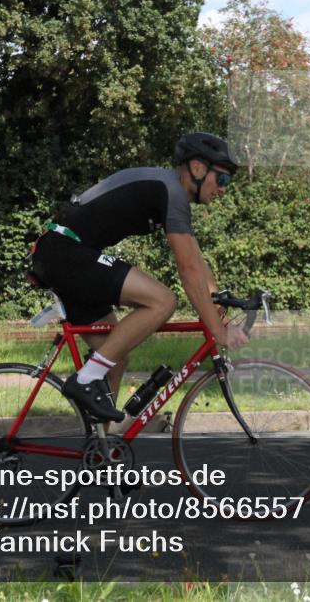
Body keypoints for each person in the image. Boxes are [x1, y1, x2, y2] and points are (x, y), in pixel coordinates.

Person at [28, 132, 250, 422]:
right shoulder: (170, 190)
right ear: (197, 168)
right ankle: (84, 381)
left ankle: (100, 453)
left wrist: (219, 315)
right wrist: (218, 331)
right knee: (163, 301)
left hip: (63, 255)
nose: (224, 189)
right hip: (66, 253)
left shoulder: (169, 192)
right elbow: (188, 272)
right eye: (222, 179)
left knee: (114, 356)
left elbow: (197, 263)